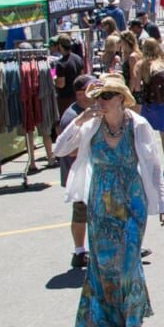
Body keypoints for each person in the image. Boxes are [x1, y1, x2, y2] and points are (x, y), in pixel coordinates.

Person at [54, 74, 164, 327]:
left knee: (129, 265)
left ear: (121, 98)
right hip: (101, 204)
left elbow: (154, 166)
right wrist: (80, 120)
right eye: (98, 98)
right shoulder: (92, 126)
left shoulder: (138, 125)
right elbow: (60, 149)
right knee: (104, 267)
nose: (101, 103)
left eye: (106, 97)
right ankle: (115, 325)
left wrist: (163, 203)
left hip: (131, 201)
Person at [58, 74, 98, 268]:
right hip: (79, 175)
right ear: (81, 94)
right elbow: (71, 151)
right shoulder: (73, 117)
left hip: (85, 173)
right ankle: (80, 252)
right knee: (82, 213)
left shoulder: (87, 111)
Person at [132, 38, 164, 178]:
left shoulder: (141, 64)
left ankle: (151, 165)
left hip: (150, 103)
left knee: (146, 135)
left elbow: (136, 86)